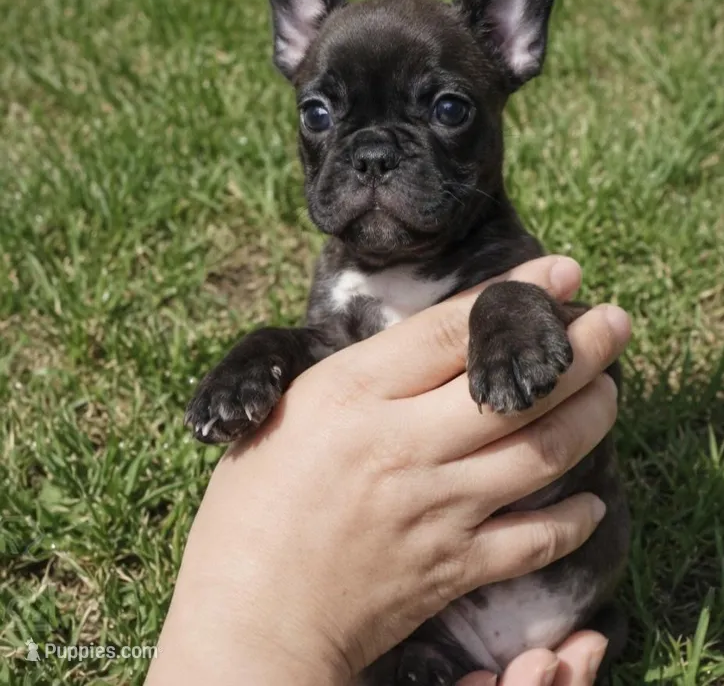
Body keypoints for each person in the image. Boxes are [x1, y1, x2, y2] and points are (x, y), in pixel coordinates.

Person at [146, 256, 631, 686]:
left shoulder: (499, 259)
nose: (374, 178)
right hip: (400, 633)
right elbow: (323, 371)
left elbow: (582, 364)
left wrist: (513, 310)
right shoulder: (343, 281)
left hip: (553, 582)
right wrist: (267, 353)